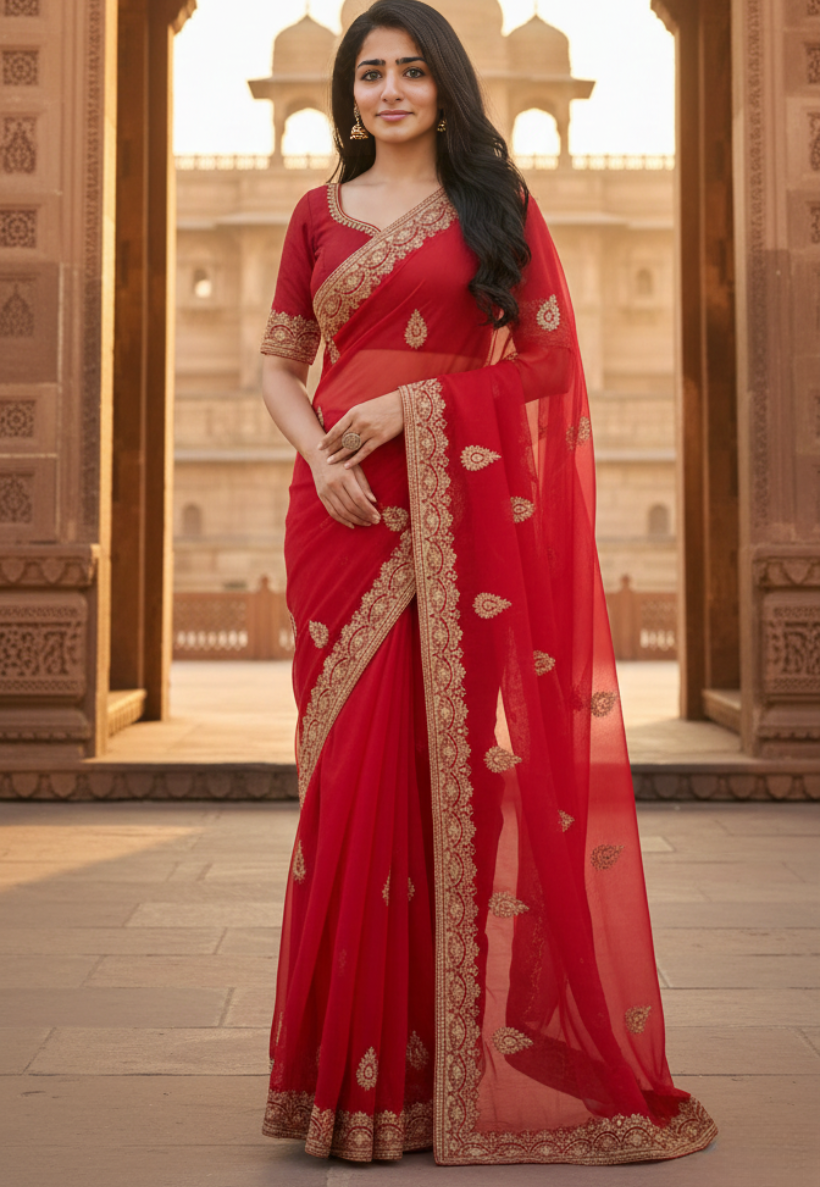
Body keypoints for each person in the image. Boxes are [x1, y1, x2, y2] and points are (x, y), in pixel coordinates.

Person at [258, 0, 717, 1166]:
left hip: (453, 510)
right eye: (371, 74)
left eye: (413, 71)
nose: (391, 90)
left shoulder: (495, 206)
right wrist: (322, 450)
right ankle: (341, 1078)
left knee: (448, 778)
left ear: (448, 85)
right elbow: (276, 365)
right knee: (347, 778)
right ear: (346, 93)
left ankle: (435, 1073)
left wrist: (410, 408)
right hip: (342, 511)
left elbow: (551, 362)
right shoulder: (316, 215)